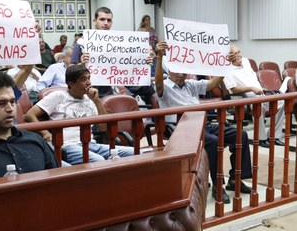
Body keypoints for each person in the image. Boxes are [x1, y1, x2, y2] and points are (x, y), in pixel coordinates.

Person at [154, 43, 252, 204]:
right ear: (168, 70)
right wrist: (159, 57)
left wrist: (226, 64)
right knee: (212, 142)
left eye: (184, 69)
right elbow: (158, 83)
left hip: (202, 123)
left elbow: (212, 84)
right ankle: (217, 184)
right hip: (182, 128)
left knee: (241, 135)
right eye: (177, 69)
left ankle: (235, 179)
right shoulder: (164, 86)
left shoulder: (190, 84)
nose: (181, 73)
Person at [24, 64, 134, 165]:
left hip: (91, 144)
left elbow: (103, 127)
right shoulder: (58, 96)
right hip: (67, 145)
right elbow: (29, 115)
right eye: (83, 79)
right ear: (71, 83)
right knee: (99, 161)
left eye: (89, 78)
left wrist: (97, 101)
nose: (88, 82)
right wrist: (45, 133)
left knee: (133, 152)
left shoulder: (90, 100)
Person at [224, 45, 282, 148]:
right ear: (229, 57)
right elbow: (234, 89)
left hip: (260, 94)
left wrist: (260, 88)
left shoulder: (246, 61)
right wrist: (251, 88)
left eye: (239, 52)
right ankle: (261, 138)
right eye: (235, 54)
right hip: (244, 97)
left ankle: (274, 136)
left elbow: (252, 78)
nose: (239, 56)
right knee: (259, 105)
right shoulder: (226, 69)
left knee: (282, 102)